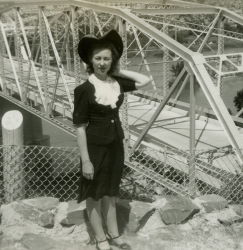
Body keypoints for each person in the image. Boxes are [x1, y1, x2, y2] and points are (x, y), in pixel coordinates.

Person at [73, 29, 151, 250]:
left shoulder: (116, 83)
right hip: (95, 148)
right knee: (95, 195)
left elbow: (145, 81)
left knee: (111, 192)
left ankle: (115, 235)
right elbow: (79, 128)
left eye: (107, 58)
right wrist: (86, 160)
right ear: (90, 60)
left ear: (112, 60)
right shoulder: (83, 89)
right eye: (97, 58)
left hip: (116, 144)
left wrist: (118, 69)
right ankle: (100, 238)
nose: (102, 63)